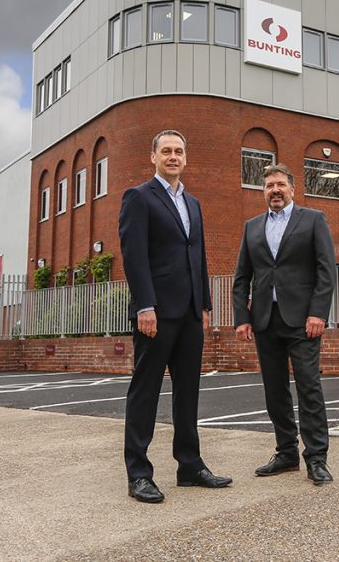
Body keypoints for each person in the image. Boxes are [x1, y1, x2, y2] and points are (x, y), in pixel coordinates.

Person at [118, 129, 232, 503]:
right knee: (145, 391)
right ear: (152, 157)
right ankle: (138, 473)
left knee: (189, 390)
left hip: (188, 313)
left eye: (178, 151)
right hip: (156, 312)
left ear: (186, 158)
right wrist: (144, 306)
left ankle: (189, 464)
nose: (172, 156)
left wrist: (204, 306)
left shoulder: (192, 202)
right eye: (165, 151)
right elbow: (134, 257)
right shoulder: (139, 197)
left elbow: (197, 256)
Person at [232, 163, 337, 485]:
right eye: (269, 186)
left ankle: (316, 458)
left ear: (292, 189)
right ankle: (286, 453)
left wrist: (318, 313)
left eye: (280, 185)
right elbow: (241, 278)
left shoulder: (313, 220)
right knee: (274, 391)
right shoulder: (252, 227)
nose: (274, 190)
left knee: (309, 387)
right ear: (263, 191)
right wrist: (242, 318)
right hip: (265, 320)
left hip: (303, 321)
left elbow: (326, 271)